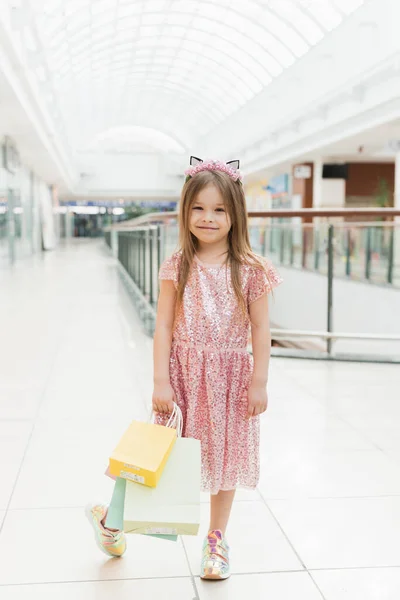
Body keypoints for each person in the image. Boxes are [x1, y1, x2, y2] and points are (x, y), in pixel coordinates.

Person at [85, 157, 282, 580]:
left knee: (226, 456)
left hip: (231, 377)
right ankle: (113, 521)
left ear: (236, 215)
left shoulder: (251, 270)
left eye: (219, 210)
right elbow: (163, 324)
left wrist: (259, 382)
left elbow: (262, 327)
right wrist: (160, 379)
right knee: (155, 449)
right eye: (198, 208)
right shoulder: (178, 264)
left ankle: (217, 540)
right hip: (183, 373)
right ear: (184, 210)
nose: (207, 218)